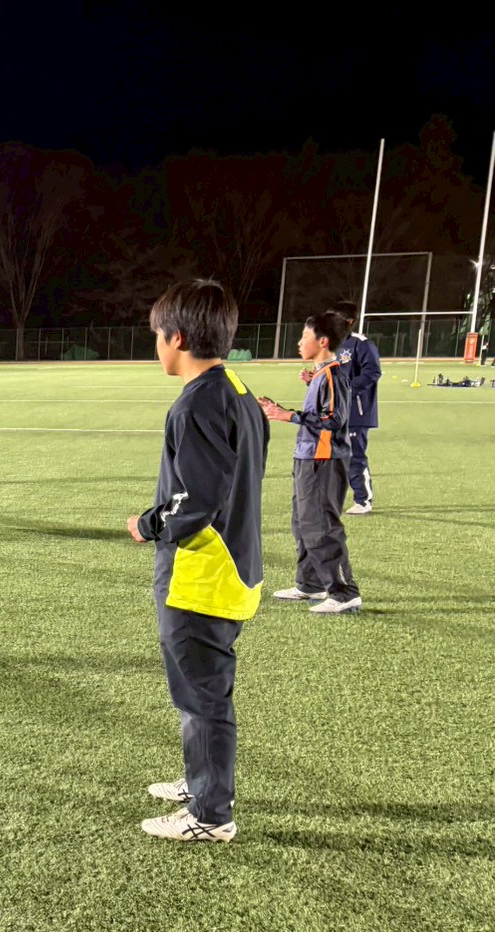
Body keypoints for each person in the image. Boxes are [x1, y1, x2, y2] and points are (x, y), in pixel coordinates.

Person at [128, 280, 266, 843]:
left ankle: (211, 815)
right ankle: (201, 783)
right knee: (201, 689)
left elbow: (195, 500)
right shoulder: (237, 390)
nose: (157, 346)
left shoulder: (198, 402)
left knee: (202, 693)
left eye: (158, 336)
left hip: (201, 573)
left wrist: (148, 524)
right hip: (232, 565)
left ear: (178, 338)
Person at [259, 312, 362, 615]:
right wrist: (286, 407)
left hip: (323, 460)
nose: (299, 342)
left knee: (321, 526)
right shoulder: (321, 374)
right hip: (308, 456)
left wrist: (288, 415)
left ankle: (344, 594)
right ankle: (310, 584)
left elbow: (334, 419)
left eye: (305, 337)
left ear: (323, 341)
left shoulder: (333, 374)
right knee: (303, 523)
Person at [331, 301, 381, 515]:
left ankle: (363, 500)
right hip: (336, 410)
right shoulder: (332, 344)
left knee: (355, 456)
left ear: (349, 321)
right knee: (334, 456)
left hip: (356, 411)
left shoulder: (362, 344)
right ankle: (333, 497)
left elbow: (373, 373)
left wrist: (347, 388)